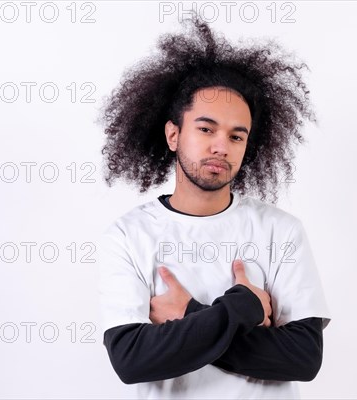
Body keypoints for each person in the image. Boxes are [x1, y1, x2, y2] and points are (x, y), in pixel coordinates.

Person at [98, 15, 331, 399]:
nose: (221, 146)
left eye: (236, 135)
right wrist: (243, 308)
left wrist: (188, 314)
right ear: (173, 134)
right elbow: (132, 360)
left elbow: (302, 359)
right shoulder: (127, 236)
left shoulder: (281, 231)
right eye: (206, 129)